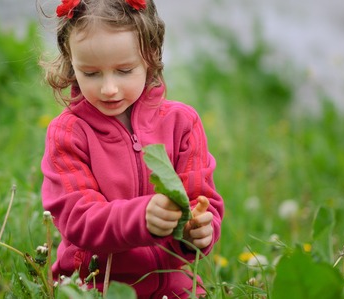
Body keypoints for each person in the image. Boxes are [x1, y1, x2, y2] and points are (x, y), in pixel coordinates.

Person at [40, 0, 224, 298]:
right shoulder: (68, 133)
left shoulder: (182, 123)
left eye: (124, 70)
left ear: (150, 57)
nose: (108, 88)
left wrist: (200, 230)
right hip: (95, 282)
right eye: (91, 73)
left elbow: (201, 199)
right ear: (70, 62)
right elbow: (78, 218)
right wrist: (141, 218)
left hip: (171, 280)